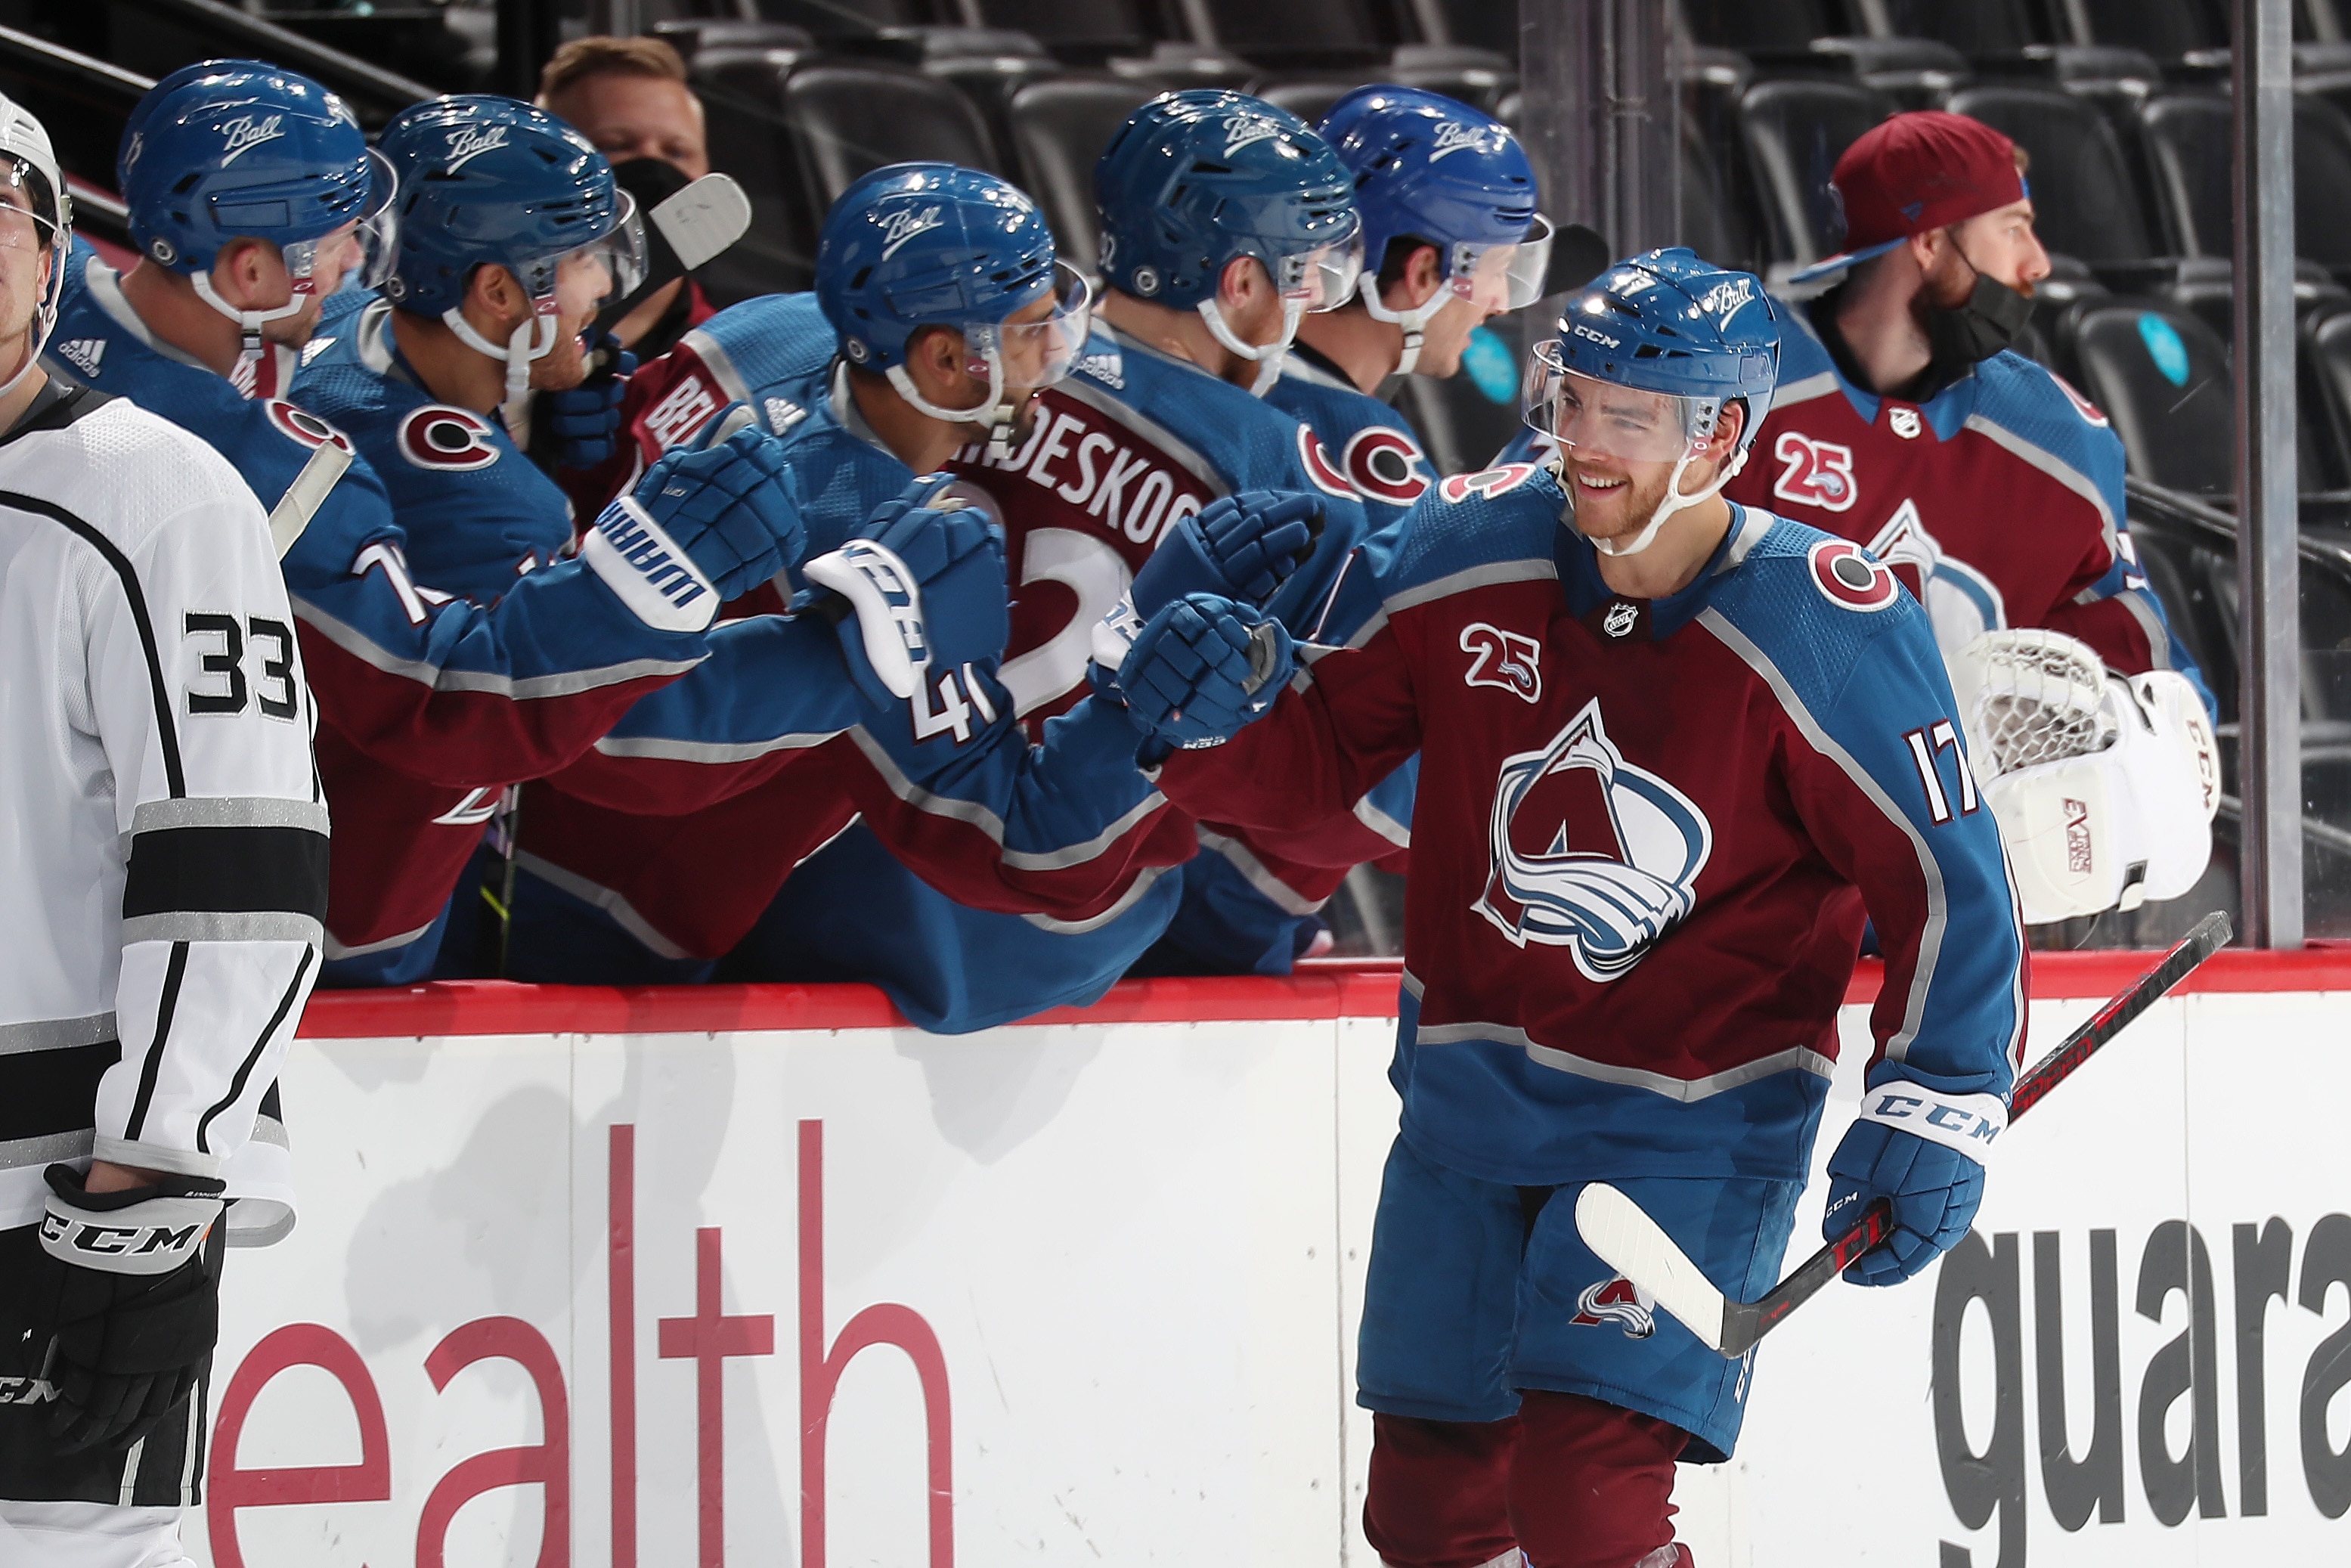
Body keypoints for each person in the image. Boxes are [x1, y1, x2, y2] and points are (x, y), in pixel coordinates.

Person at [1110, 249, 2026, 1567]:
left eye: (1628, 417)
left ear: (1723, 432)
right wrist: (1187, 721)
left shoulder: (1824, 620)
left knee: (1588, 1507)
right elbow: (1315, 762)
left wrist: (1937, 1096)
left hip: (1689, 1128)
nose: (1582, 444)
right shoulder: (1466, 540)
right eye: (1572, 400)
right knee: (1424, 1514)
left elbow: (1946, 878)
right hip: (1467, 1106)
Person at [503, 164, 1214, 1019]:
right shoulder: (883, 543)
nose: (1054, 356)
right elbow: (996, 837)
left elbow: (606, 464)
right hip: (624, 904)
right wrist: (1146, 717)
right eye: (1030, 330)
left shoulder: (771, 329)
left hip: (508, 810)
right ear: (947, 358)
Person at [0, 89, 327, 1564]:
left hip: (49, 1203)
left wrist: (155, 1174)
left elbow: (239, 866)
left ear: (53, 250)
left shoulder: (154, 496)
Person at [283, 93, 809, 984]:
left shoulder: (343, 325)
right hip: (354, 928)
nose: (606, 287)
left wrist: (524, 399)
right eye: (582, 261)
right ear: (495, 291)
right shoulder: (494, 505)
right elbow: (605, 742)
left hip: (256, 855)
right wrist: (822, 662)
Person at [1714, 111, 2219, 925]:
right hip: (1727, 905)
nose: (2037, 263)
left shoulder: (2053, 437)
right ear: (1927, 240)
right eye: (2013, 227)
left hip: (1950, 914)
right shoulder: (1731, 381)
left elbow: (2145, 679)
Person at [537, 35, 714, 359]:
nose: (654, 167)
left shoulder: (730, 357)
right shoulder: (492, 345)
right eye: (615, 146)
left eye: (677, 152)